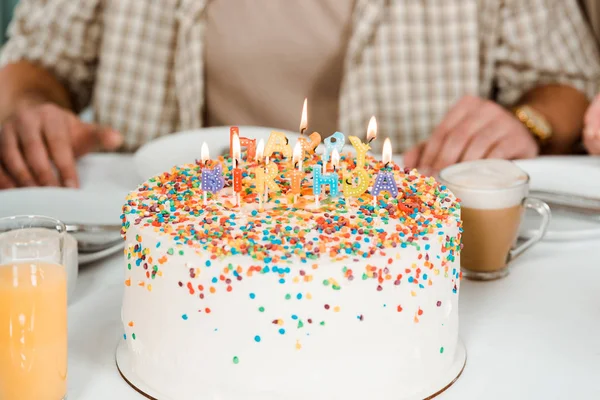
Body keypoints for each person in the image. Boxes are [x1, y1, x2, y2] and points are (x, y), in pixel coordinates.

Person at [0, 0, 598, 189]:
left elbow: (566, 82)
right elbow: (35, 64)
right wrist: (29, 111)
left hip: (398, 251)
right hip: (173, 248)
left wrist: (530, 121)